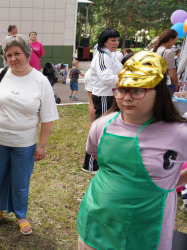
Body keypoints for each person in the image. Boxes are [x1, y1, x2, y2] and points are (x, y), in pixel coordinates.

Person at [77, 51, 187, 250]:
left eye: (137, 90)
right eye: (122, 90)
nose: (126, 98)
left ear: (159, 92)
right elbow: (102, 162)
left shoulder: (179, 133)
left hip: (147, 232)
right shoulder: (101, 126)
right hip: (95, 224)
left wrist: (170, 181)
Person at [0, 34, 59, 235]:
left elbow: (47, 117)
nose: (13, 59)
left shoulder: (40, 81)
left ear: (27, 53)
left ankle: (20, 214)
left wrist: (41, 145)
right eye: (9, 55)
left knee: (20, 181)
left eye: (17, 53)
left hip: (24, 143)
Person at [81, 28, 123, 174]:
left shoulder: (109, 55)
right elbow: (106, 78)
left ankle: (101, 161)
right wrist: (125, 80)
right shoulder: (102, 56)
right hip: (104, 96)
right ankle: (91, 165)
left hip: (109, 96)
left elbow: (116, 72)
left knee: (107, 128)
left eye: (117, 40)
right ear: (104, 40)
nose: (116, 43)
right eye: (113, 40)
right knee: (101, 129)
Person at [151, 29, 179, 93]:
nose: (174, 42)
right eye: (175, 40)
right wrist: (176, 87)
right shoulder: (168, 52)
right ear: (171, 39)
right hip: (164, 87)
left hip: (152, 85)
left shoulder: (152, 50)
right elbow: (172, 74)